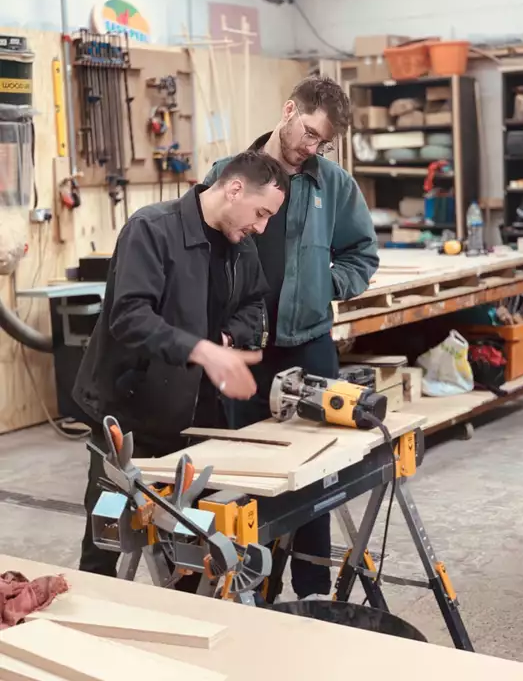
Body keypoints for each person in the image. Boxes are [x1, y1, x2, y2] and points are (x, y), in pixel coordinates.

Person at [73, 151, 289, 576]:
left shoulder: (241, 245)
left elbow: (253, 305)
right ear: (235, 189)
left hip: (196, 420)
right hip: (130, 416)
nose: (261, 227)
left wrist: (223, 340)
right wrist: (202, 351)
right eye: (261, 213)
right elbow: (130, 317)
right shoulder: (151, 229)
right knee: (108, 536)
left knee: (192, 545)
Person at [204, 76, 379, 599]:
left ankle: (312, 591)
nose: (312, 148)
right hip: (246, 349)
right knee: (243, 472)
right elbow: (201, 249)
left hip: (309, 345)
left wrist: (324, 284)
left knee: (315, 472)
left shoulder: (334, 185)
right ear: (287, 111)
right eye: (309, 133)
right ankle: (251, 590)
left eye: (323, 142)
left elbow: (362, 255)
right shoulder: (229, 175)